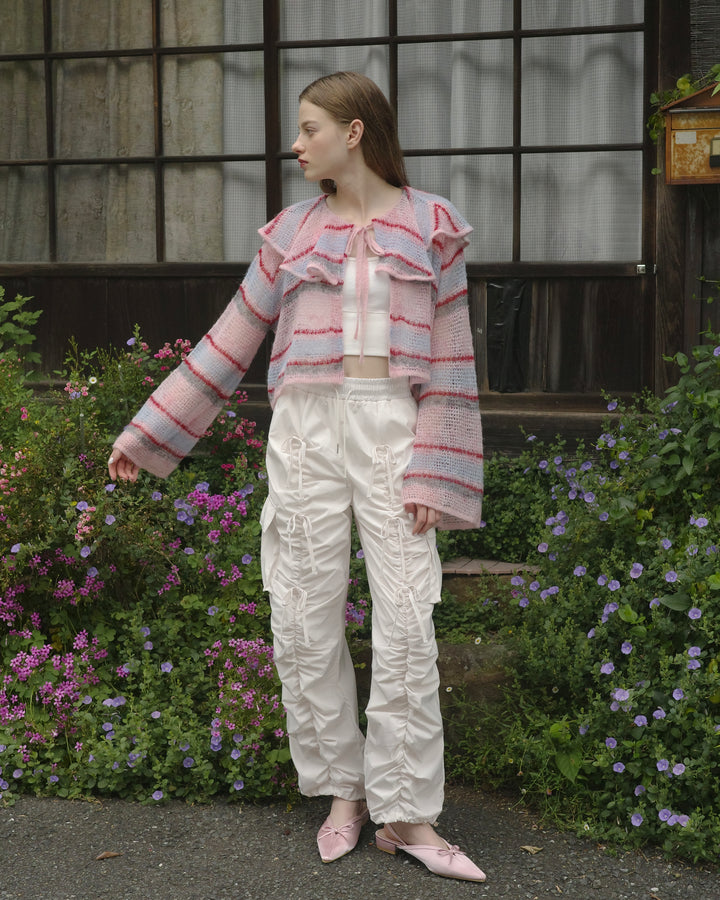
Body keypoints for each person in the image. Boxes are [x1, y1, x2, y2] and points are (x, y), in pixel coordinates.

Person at [108, 71, 485, 883]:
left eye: (309, 127)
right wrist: (149, 433)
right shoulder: (290, 233)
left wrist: (434, 470)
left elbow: (453, 362)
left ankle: (407, 816)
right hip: (307, 432)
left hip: (394, 429)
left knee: (407, 621)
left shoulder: (432, 226)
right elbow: (229, 339)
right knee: (304, 616)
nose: (296, 142)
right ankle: (344, 791)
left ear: (354, 132)